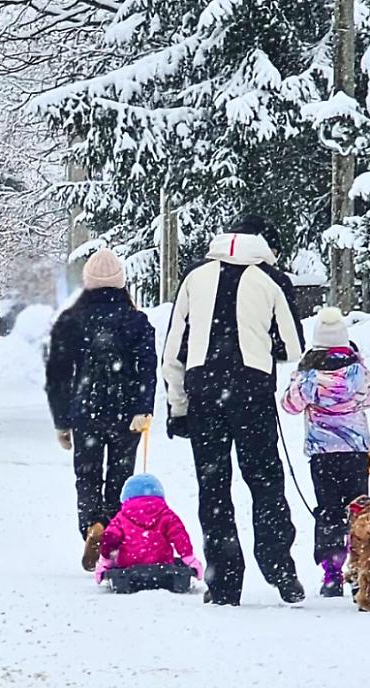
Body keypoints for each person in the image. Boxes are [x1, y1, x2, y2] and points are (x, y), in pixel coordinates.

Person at [161, 215, 306, 606]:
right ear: (265, 244)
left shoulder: (195, 276)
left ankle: (224, 581)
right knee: (265, 482)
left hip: (204, 395)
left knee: (214, 488)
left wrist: (178, 407)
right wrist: (264, 342)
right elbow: (293, 347)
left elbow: (174, 350)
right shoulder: (272, 279)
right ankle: (278, 565)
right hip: (252, 394)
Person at [46, 249, 157, 572]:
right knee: (120, 477)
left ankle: (92, 525)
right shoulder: (137, 320)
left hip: (86, 409)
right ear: (122, 283)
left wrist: (62, 421)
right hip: (126, 412)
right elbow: (147, 367)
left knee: (87, 475)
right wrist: (143, 407)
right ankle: (113, 536)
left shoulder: (70, 320)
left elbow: (58, 373)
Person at [281, 307, 370, 597]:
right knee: (358, 511)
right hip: (355, 451)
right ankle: (361, 571)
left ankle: (332, 574)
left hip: (323, 454)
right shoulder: (358, 371)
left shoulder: (308, 375)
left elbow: (289, 405)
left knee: (328, 511)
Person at [94, 474, 204, 584]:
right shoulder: (167, 515)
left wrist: (105, 562)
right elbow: (180, 536)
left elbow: (110, 539)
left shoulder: (121, 517)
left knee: (119, 555)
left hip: (129, 563)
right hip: (162, 562)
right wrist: (189, 558)